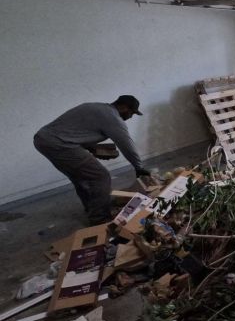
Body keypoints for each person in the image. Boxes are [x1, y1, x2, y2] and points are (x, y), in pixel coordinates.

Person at [33, 95, 151, 225]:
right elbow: (126, 145)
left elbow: (74, 130)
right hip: (59, 145)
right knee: (100, 176)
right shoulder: (113, 118)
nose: (131, 117)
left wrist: (92, 148)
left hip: (43, 139)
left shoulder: (95, 107)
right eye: (131, 113)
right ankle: (99, 218)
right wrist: (138, 167)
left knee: (80, 176)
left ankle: (93, 207)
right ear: (123, 107)